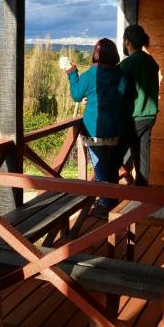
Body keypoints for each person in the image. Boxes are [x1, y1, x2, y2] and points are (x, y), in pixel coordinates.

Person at [63, 38, 124, 213]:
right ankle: (113, 205)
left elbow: (76, 94)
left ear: (95, 54)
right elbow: (125, 93)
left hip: (93, 130)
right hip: (114, 129)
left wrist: (71, 71)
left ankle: (106, 207)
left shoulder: (90, 75)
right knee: (112, 168)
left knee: (100, 169)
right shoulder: (120, 75)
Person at [119, 24, 159, 186]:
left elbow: (117, 89)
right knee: (142, 155)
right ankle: (142, 192)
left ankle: (107, 196)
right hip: (150, 116)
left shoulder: (128, 64)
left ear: (127, 42)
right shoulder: (150, 61)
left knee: (114, 156)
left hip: (134, 117)